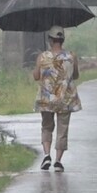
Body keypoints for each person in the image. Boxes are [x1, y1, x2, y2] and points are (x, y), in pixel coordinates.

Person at [32, 25, 82, 172]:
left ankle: (47, 155)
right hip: (65, 99)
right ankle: (58, 161)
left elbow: (36, 76)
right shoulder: (71, 57)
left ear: (50, 40)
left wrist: (40, 64)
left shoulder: (42, 57)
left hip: (46, 99)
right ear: (63, 40)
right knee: (62, 129)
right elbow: (76, 75)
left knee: (47, 126)